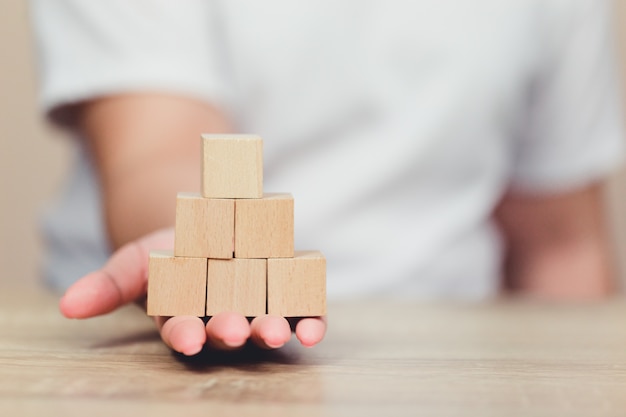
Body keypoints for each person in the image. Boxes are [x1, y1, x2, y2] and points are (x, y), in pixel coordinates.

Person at [30, 0, 624, 355]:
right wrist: (197, 255)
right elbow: (155, 150)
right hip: (143, 360)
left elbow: (561, 244)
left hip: (449, 349)